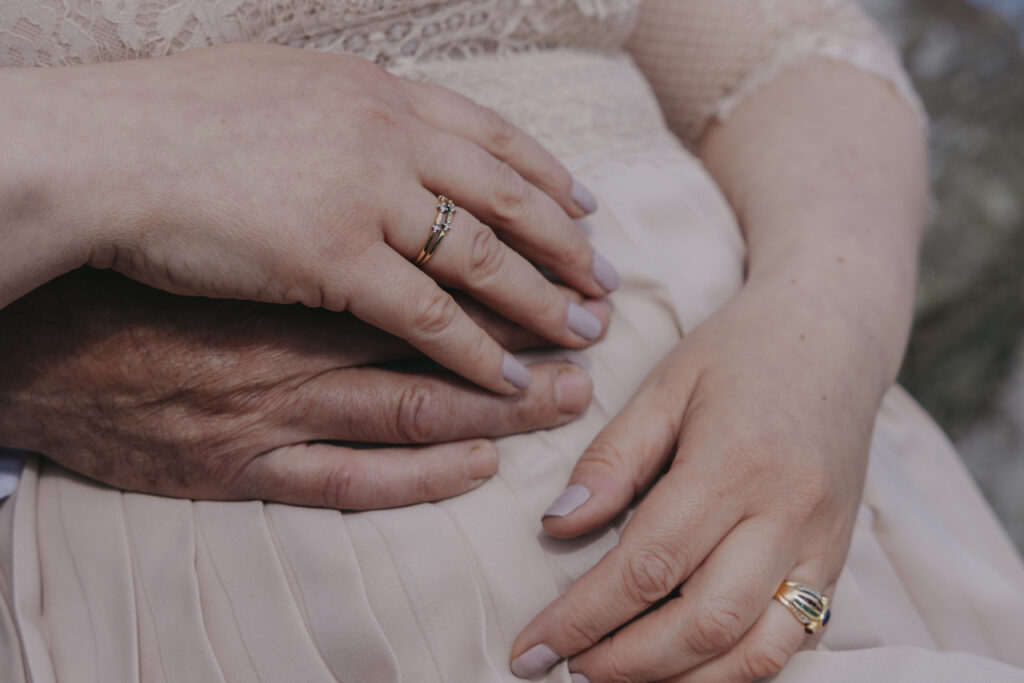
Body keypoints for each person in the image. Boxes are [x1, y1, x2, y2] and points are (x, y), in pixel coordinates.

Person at [1, 2, 1023, 682]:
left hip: (808, 483)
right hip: (231, 581)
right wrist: (112, 155)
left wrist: (825, 337)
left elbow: (792, 48)